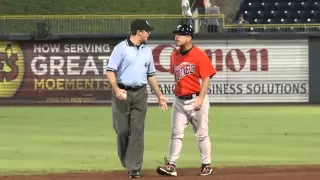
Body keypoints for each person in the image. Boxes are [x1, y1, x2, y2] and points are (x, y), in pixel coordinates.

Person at [106, 19, 168, 178]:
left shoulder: (147, 51)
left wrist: (160, 96)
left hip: (141, 93)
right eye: (147, 31)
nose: (149, 33)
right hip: (122, 93)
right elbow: (110, 71)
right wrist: (117, 89)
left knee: (137, 132)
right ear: (139, 32)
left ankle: (134, 168)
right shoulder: (120, 48)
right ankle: (127, 160)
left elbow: (151, 75)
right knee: (122, 131)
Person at [156, 24, 216, 177]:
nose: (176, 37)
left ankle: (206, 165)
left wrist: (201, 99)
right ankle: (171, 165)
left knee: (202, 134)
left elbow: (206, 78)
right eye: (176, 34)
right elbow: (176, 76)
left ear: (189, 38)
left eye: (180, 34)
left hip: (197, 99)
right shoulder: (174, 55)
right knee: (176, 134)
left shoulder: (199, 55)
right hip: (179, 101)